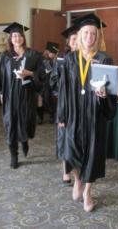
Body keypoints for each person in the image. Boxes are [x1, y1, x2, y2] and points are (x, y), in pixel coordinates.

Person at [55, 13, 117, 212]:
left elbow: (112, 89)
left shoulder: (104, 58)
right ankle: (77, 180)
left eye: (93, 33)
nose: (90, 37)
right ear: (79, 35)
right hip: (73, 113)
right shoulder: (69, 59)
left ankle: (88, 191)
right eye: (86, 33)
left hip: (94, 115)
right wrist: (61, 115)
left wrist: (104, 93)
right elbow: (63, 89)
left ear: (97, 37)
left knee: (93, 153)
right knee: (70, 151)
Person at [0, 22, 44, 169]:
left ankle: (24, 141)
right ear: (10, 38)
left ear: (23, 37)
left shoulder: (33, 55)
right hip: (9, 96)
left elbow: (43, 74)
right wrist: (0, 92)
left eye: (20, 35)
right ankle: (14, 155)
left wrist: (30, 73)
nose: (17, 38)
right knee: (10, 126)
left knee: (26, 123)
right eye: (14, 36)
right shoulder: (4, 57)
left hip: (27, 96)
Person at [51, 24, 79, 184]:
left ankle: (78, 170)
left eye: (77, 38)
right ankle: (66, 171)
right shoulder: (61, 60)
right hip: (66, 104)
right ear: (68, 42)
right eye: (73, 39)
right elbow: (53, 82)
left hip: (80, 105)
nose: (75, 42)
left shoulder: (85, 58)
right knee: (64, 138)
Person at [37, 41, 59, 124]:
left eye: (54, 53)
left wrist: (54, 59)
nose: (51, 54)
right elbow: (37, 71)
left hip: (50, 83)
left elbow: (55, 73)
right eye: (50, 52)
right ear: (47, 51)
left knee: (47, 96)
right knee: (40, 97)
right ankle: (40, 117)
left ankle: (52, 115)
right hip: (40, 82)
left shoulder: (55, 60)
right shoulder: (40, 58)